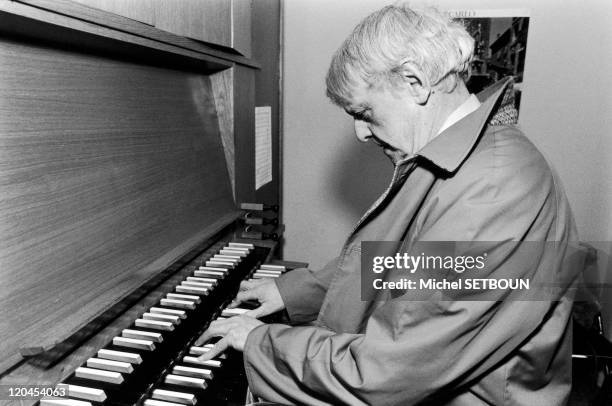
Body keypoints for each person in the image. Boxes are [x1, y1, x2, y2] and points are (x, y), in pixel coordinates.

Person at [196, 4, 579, 405]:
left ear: (414, 82)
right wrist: (295, 293)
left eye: (364, 112)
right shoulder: (462, 154)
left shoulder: (493, 189)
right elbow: (405, 266)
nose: (360, 133)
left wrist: (260, 342)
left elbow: (387, 372)